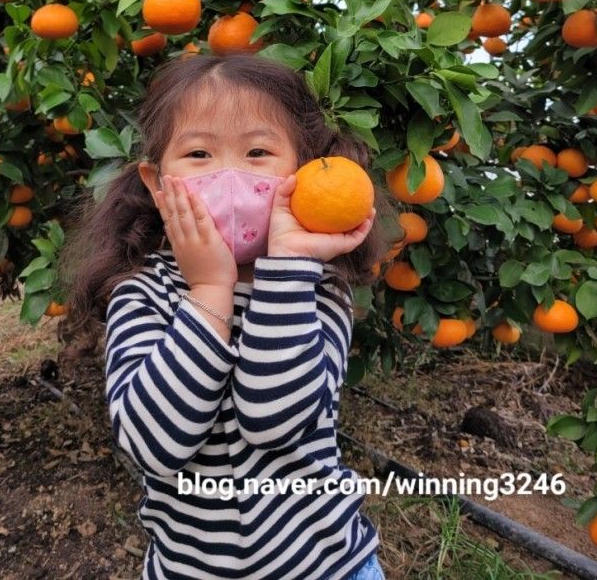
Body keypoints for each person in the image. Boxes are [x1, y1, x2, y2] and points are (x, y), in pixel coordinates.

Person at [57, 52, 403, 580]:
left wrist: (289, 266)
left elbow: (275, 423)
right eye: (198, 153)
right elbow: (153, 446)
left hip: (329, 565)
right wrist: (210, 289)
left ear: (303, 173)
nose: (230, 177)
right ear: (157, 182)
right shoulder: (140, 296)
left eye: (258, 151)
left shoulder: (316, 291)